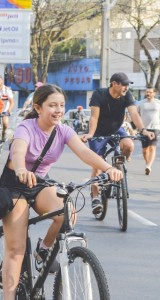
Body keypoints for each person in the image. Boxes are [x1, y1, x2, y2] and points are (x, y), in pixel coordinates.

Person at [0, 84, 123, 299]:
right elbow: (18, 150)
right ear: (38, 108)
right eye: (52, 105)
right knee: (16, 250)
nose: (58, 110)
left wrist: (109, 168)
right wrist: (20, 168)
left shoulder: (63, 130)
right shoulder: (26, 127)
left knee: (67, 212)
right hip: (14, 186)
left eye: (61, 105)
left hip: (38, 183)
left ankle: (43, 248)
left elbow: (84, 152)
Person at [81, 72, 154, 214]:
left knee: (129, 145)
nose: (126, 87)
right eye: (124, 85)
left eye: (128, 85)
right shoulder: (99, 94)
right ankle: (95, 196)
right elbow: (94, 117)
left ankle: (116, 168)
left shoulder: (127, 95)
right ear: (114, 84)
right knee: (97, 166)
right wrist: (90, 134)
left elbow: (134, 114)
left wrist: (143, 130)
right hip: (98, 132)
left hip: (116, 129)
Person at [137, 87, 160, 175]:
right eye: (147, 92)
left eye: (150, 92)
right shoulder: (141, 103)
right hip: (144, 129)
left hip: (155, 128)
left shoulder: (159, 103)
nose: (148, 94)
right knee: (145, 150)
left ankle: (148, 166)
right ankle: (147, 163)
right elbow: (136, 115)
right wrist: (138, 127)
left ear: (154, 93)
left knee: (152, 147)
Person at [0, 75, 14, 141]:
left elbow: (12, 102)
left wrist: (9, 109)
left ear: (2, 81)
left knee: (5, 124)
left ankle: (3, 133)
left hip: (4, 110)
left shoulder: (7, 90)